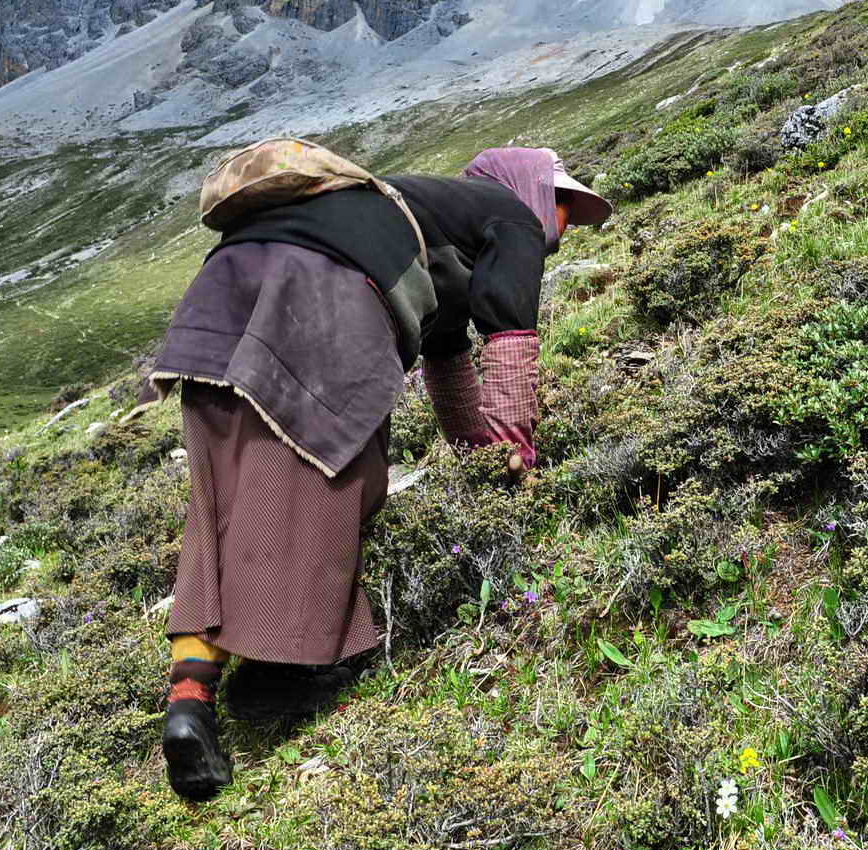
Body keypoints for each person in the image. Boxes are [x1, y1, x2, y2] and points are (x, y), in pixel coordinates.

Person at [136, 146, 610, 800]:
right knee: (334, 478)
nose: (564, 225)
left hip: (222, 292)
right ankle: (284, 676)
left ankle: (190, 696)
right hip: (321, 291)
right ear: (528, 188)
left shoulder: (425, 222)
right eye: (564, 205)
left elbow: (448, 367)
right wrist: (516, 449)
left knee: (224, 495)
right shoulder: (512, 218)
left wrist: (479, 454)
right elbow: (509, 327)